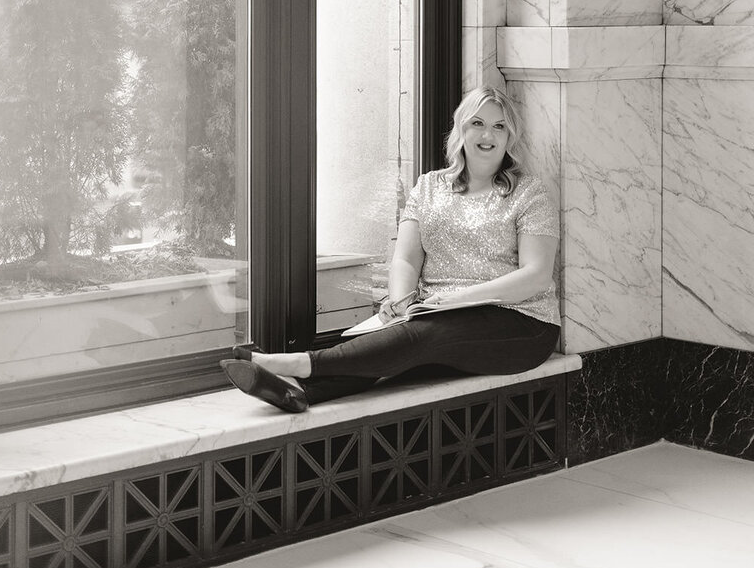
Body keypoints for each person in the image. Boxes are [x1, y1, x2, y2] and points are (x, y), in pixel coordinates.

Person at [222, 85, 560, 412]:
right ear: (461, 130)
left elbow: (536, 276)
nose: (488, 135)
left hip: (521, 324)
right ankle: (300, 393)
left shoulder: (529, 194)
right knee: (404, 346)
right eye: (478, 124)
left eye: (499, 126)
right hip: (436, 314)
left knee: (423, 337)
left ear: (509, 136)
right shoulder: (429, 186)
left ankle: (300, 363)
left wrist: (458, 298)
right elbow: (406, 259)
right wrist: (400, 302)